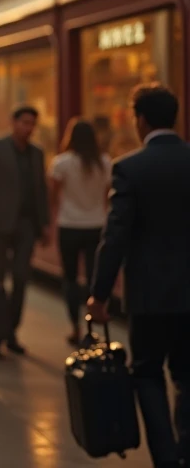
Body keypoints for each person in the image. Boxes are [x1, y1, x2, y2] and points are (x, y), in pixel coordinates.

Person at [88, 83, 190, 468]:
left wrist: (99, 295)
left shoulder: (129, 168)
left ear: (141, 120)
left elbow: (115, 237)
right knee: (187, 373)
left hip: (149, 293)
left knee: (147, 373)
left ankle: (165, 458)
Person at [0, 105, 50, 356]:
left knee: (20, 277)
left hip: (26, 225)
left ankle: (11, 331)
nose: (27, 129)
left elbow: (41, 191)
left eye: (31, 124)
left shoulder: (37, 153)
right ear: (13, 122)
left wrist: (45, 224)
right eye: (24, 123)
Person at [50, 118, 111, 345]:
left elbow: (54, 197)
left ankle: (75, 326)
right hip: (96, 225)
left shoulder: (61, 163)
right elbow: (106, 198)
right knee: (94, 278)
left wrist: (50, 222)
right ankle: (92, 325)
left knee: (70, 278)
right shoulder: (105, 163)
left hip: (69, 225)